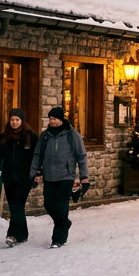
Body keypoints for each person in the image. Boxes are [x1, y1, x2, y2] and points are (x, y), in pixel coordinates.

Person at [29, 106, 88, 249]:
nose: (52, 121)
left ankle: (58, 239)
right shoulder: (45, 135)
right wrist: (34, 173)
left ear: (61, 119)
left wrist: (84, 176)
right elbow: (37, 155)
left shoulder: (71, 134)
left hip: (66, 176)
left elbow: (81, 156)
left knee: (61, 207)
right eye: (50, 119)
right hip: (49, 176)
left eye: (54, 118)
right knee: (48, 204)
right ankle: (65, 223)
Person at [0, 107, 38, 247]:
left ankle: (12, 235)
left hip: (25, 178)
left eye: (17, 119)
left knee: (17, 206)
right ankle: (23, 234)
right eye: (12, 119)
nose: (14, 122)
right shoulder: (3, 137)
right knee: (15, 206)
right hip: (8, 178)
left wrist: (38, 173)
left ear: (22, 120)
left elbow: (37, 157)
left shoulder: (30, 136)